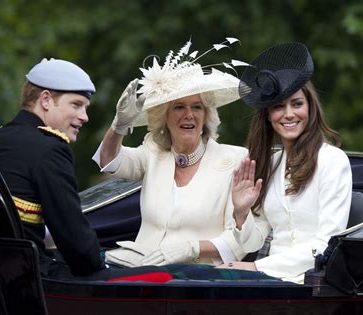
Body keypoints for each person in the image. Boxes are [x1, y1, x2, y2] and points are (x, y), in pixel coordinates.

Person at [0, 58, 165, 280]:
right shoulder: (48, 148)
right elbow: (75, 242)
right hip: (28, 281)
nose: (85, 116)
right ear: (45, 100)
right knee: (163, 277)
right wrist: (100, 265)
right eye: (76, 104)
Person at [93, 39, 250, 267]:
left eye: (196, 107)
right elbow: (109, 161)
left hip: (197, 278)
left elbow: (238, 239)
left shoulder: (234, 160)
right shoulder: (154, 152)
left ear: (206, 115)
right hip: (140, 270)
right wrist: (118, 127)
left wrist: (192, 248)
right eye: (179, 107)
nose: (189, 114)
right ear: (164, 118)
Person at [219, 42, 352, 283]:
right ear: (268, 116)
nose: (288, 114)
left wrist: (256, 267)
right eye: (278, 106)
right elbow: (254, 242)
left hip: (313, 283)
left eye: (297, 104)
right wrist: (241, 212)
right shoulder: (271, 163)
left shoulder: (332, 161)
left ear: (311, 108)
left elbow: (326, 246)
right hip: (269, 281)